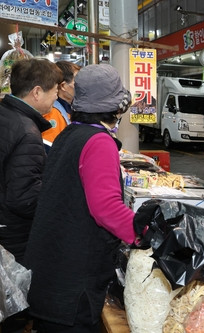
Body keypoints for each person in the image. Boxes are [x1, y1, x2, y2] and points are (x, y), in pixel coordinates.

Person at [24, 64, 153, 332]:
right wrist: (145, 234)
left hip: (52, 270)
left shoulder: (70, 134)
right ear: (116, 106)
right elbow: (106, 208)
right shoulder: (98, 141)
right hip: (74, 281)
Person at [0, 58, 61, 333]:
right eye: (53, 90)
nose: (57, 95)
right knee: (13, 310)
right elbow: (23, 197)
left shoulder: (6, 115)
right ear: (37, 92)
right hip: (11, 236)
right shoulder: (27, 132)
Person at [42, 61, 81, 151]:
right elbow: (50, 151)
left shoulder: (70, 109)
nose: (82, 85)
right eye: (77, 81)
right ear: (63, 86)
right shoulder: (52, 113)